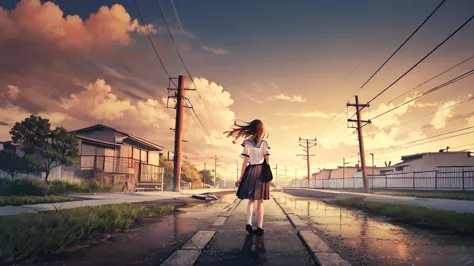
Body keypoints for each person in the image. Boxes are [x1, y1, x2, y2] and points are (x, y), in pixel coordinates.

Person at [224, 119, 272, 236]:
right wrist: (268, 174)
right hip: (261, 172)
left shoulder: (247, 143)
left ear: (251, 128)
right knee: (260, 202)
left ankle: (248, 222)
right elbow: (267, 159)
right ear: (261, 129)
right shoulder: (264, 143)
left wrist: (240, 177)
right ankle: (259, 227)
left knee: (251, 200)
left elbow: (245, 162)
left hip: (250, 171)